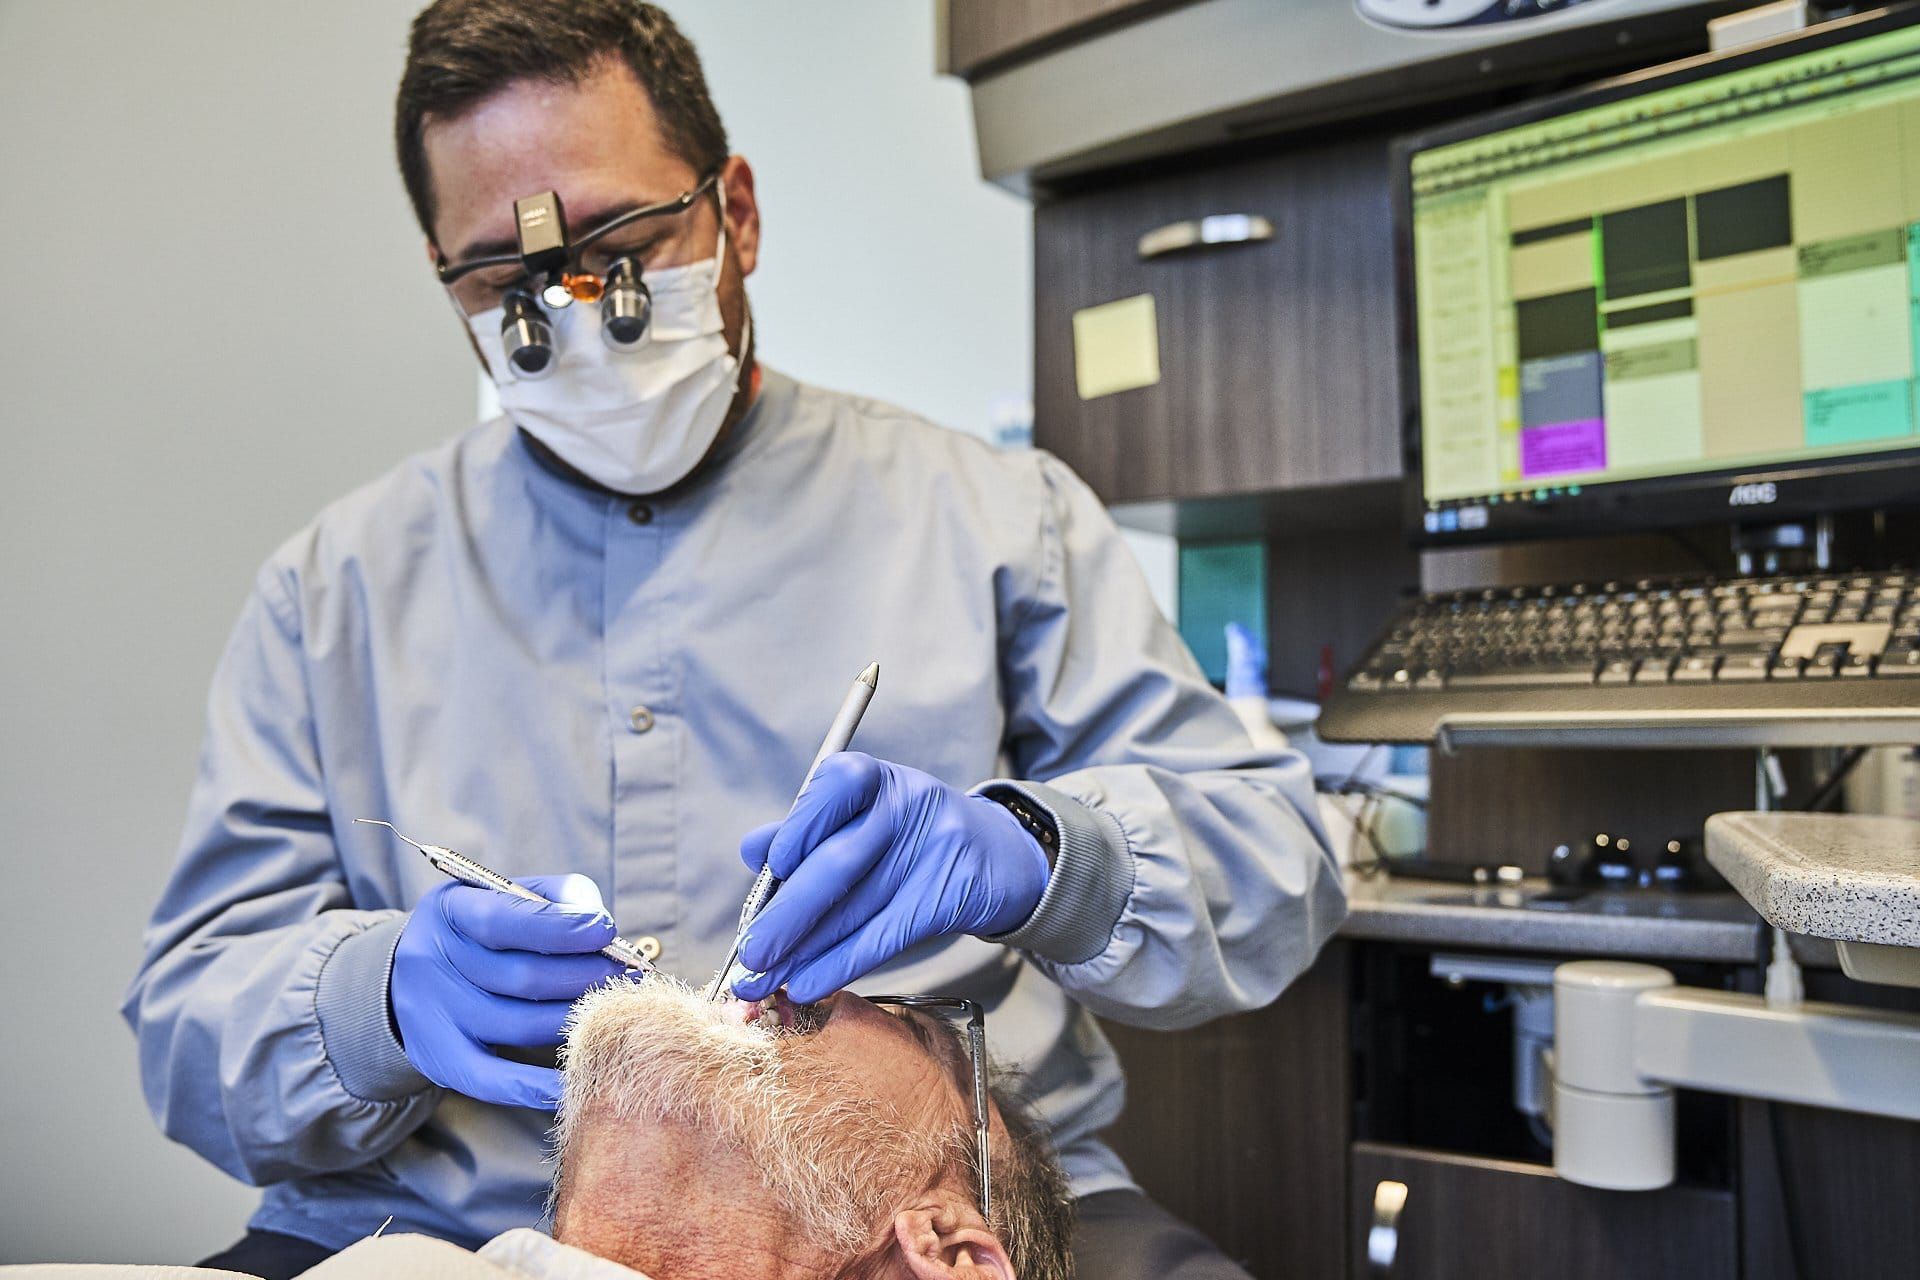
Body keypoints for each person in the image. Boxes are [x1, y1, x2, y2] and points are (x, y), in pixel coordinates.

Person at [121, 3, 1345, 1277]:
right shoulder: (333, 592)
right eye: (504, 278)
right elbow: (186, 1023)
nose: (575, 313)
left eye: (619, 243)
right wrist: (375, 999)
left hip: (913, 1209)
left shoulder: (994, 519)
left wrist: (1038, 854)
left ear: (735, 214)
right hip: (453, 1225)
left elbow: (1279, 863)